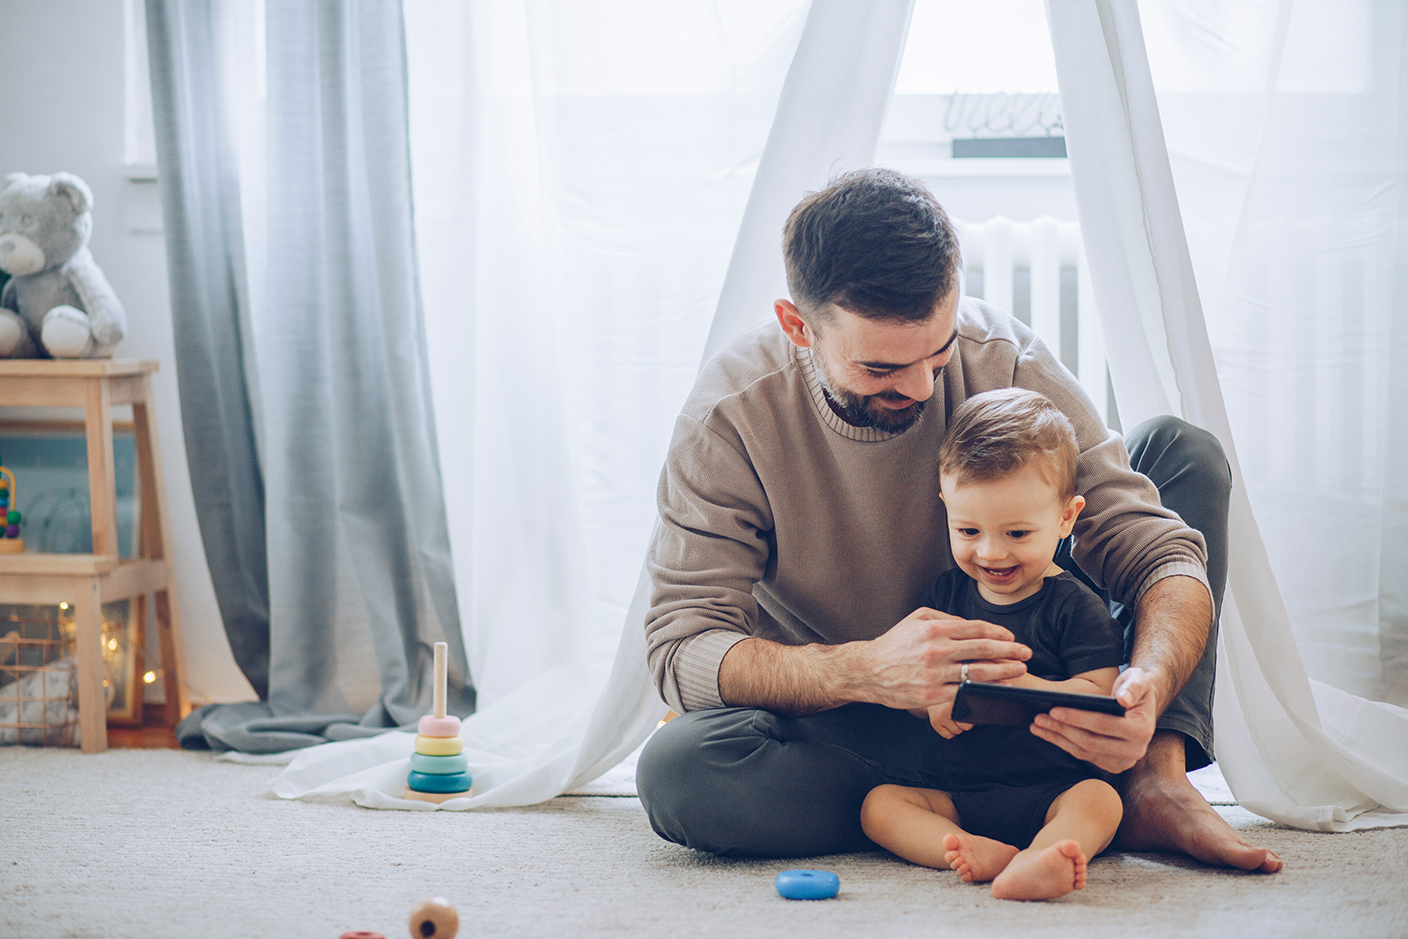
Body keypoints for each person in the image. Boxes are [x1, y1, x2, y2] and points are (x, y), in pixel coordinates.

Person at [637, 167, 1281, 874]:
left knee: (1183, 453)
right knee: (680, 772)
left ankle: (1151, 776)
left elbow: (1158, 554)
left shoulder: (1005, 360)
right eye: (882, 368)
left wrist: (1146, 687)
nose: (921, 387)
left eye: (938, 353)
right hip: (868, 728)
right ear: (799, 326)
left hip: (1046, 708)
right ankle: (974, 805)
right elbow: (681, 645)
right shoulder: (730, 417)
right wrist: (866, 669)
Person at [859, 387, 1125, 900]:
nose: (990, 552)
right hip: (957, 790)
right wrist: (931, 704)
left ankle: (1049, 853)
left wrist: (1028, 689)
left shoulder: (1075, 606)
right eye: (969, 529)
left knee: (1101, 801)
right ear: (946, 508)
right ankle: (971, 849)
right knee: (880, 805)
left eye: (1018, 534)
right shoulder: (945, 596)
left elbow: (1103, 698)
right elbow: (917, 681)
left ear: (1066, 518)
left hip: (1053, 786)